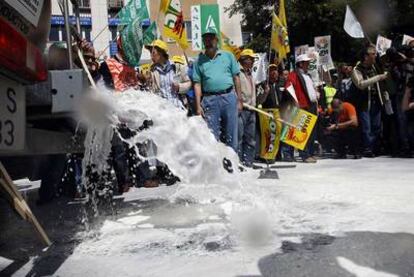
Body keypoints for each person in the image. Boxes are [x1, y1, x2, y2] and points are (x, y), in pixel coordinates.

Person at [193, 27, 242, 151]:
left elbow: (236, 77)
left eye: (211, 38)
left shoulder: (228, 56)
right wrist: (198, 106)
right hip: (209, 100)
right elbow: (197, 84)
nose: (208, 42)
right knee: (211, 137)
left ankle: (233, 166)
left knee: (232, 135)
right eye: (206, 39)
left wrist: (239, 100)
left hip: (229, 98)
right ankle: (217, 167)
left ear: (216, 40)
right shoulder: (198, 61)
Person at [351, 44, 389, 157]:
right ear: (366, 56)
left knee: (377, 125)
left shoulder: (375, 67)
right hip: (364, 102)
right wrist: (378, 77)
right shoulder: (356, 70)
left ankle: (374, 147)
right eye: (373, 54)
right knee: (366, 126)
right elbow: (360, 84)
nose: (375, 55)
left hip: (376, 100)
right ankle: (367, 148)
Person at [285, 54, 319, 163]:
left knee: (311, 132)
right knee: (302, 132)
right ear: (300, 63)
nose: (308, 64)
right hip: (302, 106)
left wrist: (316, 93)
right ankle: (304, 155)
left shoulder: (307, 75)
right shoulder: (294, 75)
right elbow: (289, 88)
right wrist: (295, 102)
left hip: (311, 105)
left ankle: (309, 153)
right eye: (306, 62)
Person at [146, 40, 191, 109]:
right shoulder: (152, 70)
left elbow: (189, 83)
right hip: (163, 111)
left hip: (178, 108)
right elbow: (151, 92)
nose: (151, 56)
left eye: (153, 52)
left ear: (161, 52)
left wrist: (179, 87)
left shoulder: (177, 66)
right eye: (150, 53)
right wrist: (145, 81)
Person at [237, 49, 257, 167]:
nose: (253, 61)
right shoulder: (237, 73)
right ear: (245, 59)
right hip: (242, 108)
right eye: (251, 59)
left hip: (252, 109)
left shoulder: (250, 74)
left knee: (250, 138)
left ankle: (248, 162)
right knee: (240, 137)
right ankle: (239, 163)